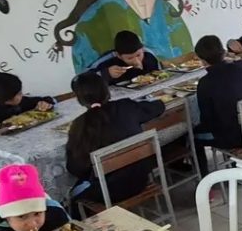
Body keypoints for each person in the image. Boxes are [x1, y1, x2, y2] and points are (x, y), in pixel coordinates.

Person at [65, 72, 166, 216]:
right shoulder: (126, 106)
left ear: (79, 99)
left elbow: (74, 168)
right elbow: (158, 107)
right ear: (107, 91)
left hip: (109, 191)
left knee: (71, 197)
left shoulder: (79, 125)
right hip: (141, 180)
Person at [193, 34, 242, 170]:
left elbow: (207, 119)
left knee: (193, 137)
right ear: (224, 52)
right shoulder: (241, 67)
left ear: (203, 61)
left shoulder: (204, 83)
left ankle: (205, 180)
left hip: (232, 138)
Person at [88, 30, 162, 87]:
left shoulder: (149, 54)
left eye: (138, 55)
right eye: (130, 58)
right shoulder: (107, 61)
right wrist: (106, 73)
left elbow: (159, 74)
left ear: (142, 49)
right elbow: (80, 81)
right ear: (118, 55)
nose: (136, 61)